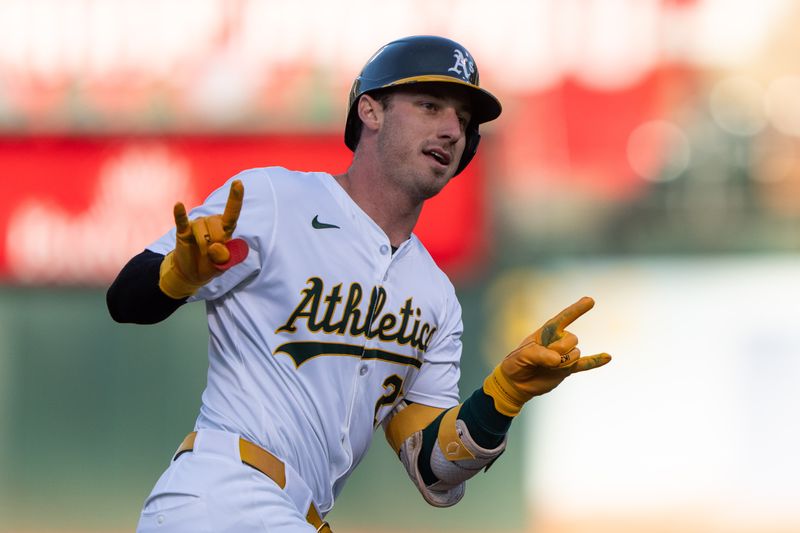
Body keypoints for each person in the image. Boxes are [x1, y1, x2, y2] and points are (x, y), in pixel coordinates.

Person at [107, 35, 611, 533]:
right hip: (223, 496)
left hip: (291, 514)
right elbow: (126, 299)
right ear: (370, 111)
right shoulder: (277, 200)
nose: (452, 130)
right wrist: (175, 274)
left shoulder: (434, 295)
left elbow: (434, 470)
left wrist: (501, 398)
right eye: (431, 105)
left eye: (463, 120)